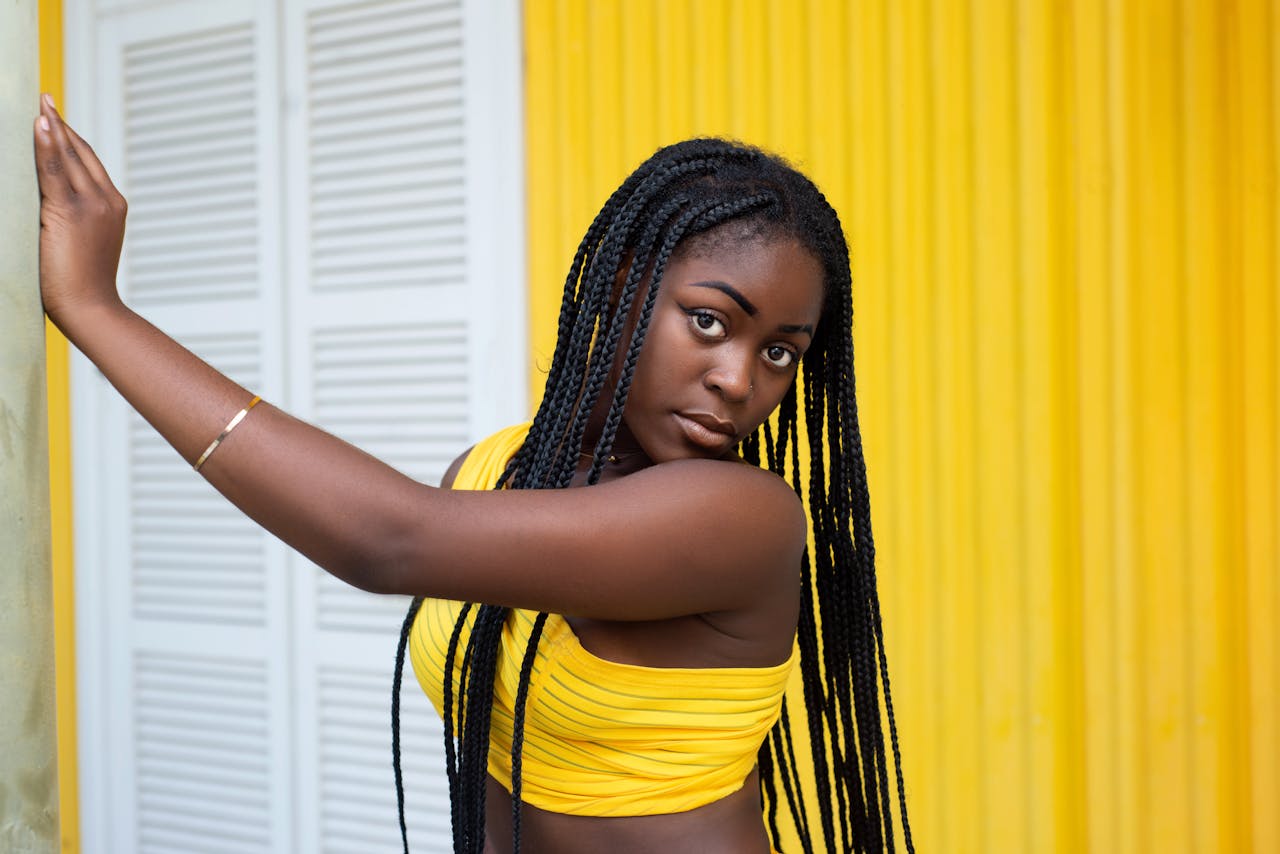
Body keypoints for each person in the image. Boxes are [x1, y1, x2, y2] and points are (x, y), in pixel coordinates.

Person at [33, 94, 912, 853]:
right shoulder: (494, 467)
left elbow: (387, 540)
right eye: (713, 323)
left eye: (782, 354)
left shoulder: (742, 519)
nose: (740, 380)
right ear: (621, 284)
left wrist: (95, 309)